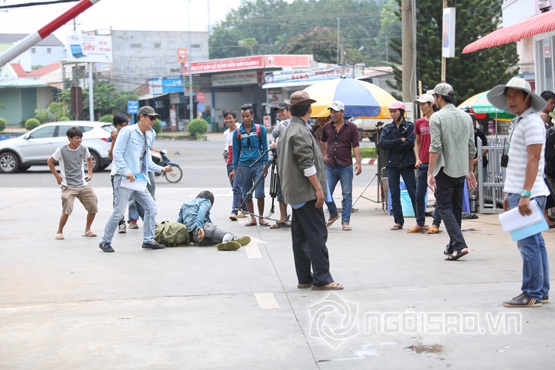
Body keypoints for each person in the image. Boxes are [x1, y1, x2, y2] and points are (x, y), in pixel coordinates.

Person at [487, 77, 550, 307]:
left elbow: (534, 159)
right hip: (521, 191)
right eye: (508, 95)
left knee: (527, 243)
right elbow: (517, 162)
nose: (511, 100)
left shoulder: (532, 122)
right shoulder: (519, 121)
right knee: (535, 242)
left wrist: (524, 193)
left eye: (516, 95)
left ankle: (531, 292)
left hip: (529, 192)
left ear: (527, 98)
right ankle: (541, 291)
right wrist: (509, 192)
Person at [276, 90, 343, 290]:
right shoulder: (300, 131)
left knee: (300, 236)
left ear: (291, 110)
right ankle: (322, 278)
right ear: (309, 109)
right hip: (306, 193)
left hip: (294, 192)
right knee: (317, 235)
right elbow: (307, 164)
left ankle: (305, 277)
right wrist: (319, 190)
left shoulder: (288, 129)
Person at [98, 106, 173, 253]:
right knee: (119, 212)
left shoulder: (150, 134)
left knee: (151, 207)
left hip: (138, 178)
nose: (153, 120)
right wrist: (126, 172)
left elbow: (147, 161)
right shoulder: (127, 131)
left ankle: (148, 240)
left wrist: (162, 169)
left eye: (155, 118)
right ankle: (105, 241)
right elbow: (117, 155)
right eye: (151, 117)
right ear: (142, 117)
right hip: (124, 178)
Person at [427, 83, 477, 261]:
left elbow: (435, 147)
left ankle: (460, 245)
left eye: (434, 97)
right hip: (461, 170)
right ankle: (452, 245)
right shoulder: (466, 117)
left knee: (444, 207)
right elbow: (472, 148)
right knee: (455, 209)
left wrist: (430, 173)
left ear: (439, 97)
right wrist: (469, 170)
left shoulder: (436, 118)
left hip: (444, 168)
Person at [47, 126, 98, 240]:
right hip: (68, 186)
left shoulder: (84, 149)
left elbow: (89, 159)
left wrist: (90, 174)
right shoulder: (61, 150)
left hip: (82, 184)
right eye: (76, 138)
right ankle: (59, 231)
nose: (79, 140)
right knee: (67, 211)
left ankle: (87, 230)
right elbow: (50, 161)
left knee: (93, 207)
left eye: (80, 138)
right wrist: (57, 176)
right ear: (69, 138)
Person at [320, 101, 362, 231]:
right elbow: (322, 140)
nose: (333, 114)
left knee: (347, 195)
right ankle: (333, 213)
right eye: (331, 112)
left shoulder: (352, 127)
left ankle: (345, 222)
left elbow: (355, 145)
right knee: (325, 192)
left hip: (345, 165)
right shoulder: (327, 127)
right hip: (330, 165)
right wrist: (324, 154)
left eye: (335, 112)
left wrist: (358, 162)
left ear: (342, 112)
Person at [229, 104, 270, 227]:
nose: (246, 118)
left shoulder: (260, 129)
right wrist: (234, 169)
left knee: (260, 193)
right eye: (243, 116)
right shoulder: (237, 132)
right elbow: (235, 152)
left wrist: (265, 165)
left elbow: (265, 148)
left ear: (252, 115)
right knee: (246, 193)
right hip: (243, 166)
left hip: (258, 166)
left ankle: (261, 218)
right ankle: (253, 218)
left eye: (248, 116)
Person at [379, 101, 417, 231]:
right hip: (392, 164)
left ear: (401, 112)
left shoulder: (410, 126)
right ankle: (398, 221)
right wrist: (399, 140)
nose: (393, 114)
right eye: (391, 111)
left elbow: (410, 143)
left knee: (413, 191)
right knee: (394, 193)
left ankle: (420, 220)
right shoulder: (387, 128)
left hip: (407, 163)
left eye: (395, 111)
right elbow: (383, 144)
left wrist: (393, 144)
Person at [177, 190, 251, 251]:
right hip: (202, 230)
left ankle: (235, 239)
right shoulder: (205, 201)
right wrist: (200, 227)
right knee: (227, 234)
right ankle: (226, 242)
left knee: (218, 238)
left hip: (195, 239)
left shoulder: (185, 204)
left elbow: (179, 222)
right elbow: (201, 212)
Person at [412, 94, 442, 234]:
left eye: (424, 104)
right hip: (423, 163)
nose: (422, 107)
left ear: (431, 104)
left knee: (439, 195)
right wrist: (417, 158)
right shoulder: (419, 122)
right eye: (420, 105)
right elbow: (416, 143)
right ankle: (420, 223)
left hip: (437, 164)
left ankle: (436, 223)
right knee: (419, 194)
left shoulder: (439, 120)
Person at [268, 101, 291, 229]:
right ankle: (283, 217)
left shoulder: (296, 124)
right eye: (279, 111)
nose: (280, 113)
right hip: (280, 163)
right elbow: (272, 135)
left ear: (289, 111)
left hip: (293, 164)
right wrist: (272, 143)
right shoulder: (280, 125)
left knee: (292, 191)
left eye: (282, 111)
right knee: (280, 191)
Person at [223, 110, 247, 221]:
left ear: (235, 119)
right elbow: (228, 148)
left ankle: (234, 211)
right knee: (235, 186)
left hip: (239, 162)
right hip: (230, 162)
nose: (228, 120)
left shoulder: (240, 130)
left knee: (236, 187)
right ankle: (245, 208)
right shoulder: (226, 133)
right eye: (226, 119)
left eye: (230, 118)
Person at [108, 113, 129, 234]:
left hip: (130, 172)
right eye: (122, 125)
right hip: (117, 173)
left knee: (138, 197)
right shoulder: (112, 138)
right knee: (117, 200)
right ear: (116, 126)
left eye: (126, 125)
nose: (124, 127)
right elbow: (112, 156)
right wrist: (114, 139)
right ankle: (121, 223)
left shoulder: (130, 134)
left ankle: (137, 220)